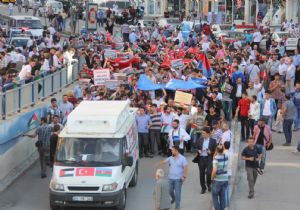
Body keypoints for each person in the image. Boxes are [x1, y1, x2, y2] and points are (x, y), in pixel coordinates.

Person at [157, 146, 188, 210]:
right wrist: (158, 164)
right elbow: (164, 161)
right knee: (170, 190)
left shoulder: (182, 158)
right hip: (170, 178)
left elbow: (185, 168)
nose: (171, 151)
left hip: (178, 179)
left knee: (177, 193)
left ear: (176, 151)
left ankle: (177, 206)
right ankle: (173, 198)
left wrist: (184, 176)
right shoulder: (171, 158)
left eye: (172, 150)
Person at [195, 127, 217, 194]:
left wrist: (211, 152)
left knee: (209, 173)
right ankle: (203, 188)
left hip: (209, 158)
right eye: (202, 133)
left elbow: (215, 151)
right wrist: (198, 150)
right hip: (201, 158)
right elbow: (196, 147)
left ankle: (209, 184)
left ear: (208, 134)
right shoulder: (200, 140)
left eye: (204, 133)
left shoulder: (213, 141)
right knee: (201, 174)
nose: (202, 134)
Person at [211, 144, 229, 210]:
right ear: (223, 150)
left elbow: (214, 170)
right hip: (225, 179)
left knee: (215, 196)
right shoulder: (226, 156)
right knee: (222, 196)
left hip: (217, 180)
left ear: (216, 150)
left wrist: (212, 178)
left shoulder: (216, 159)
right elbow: (223, 152)